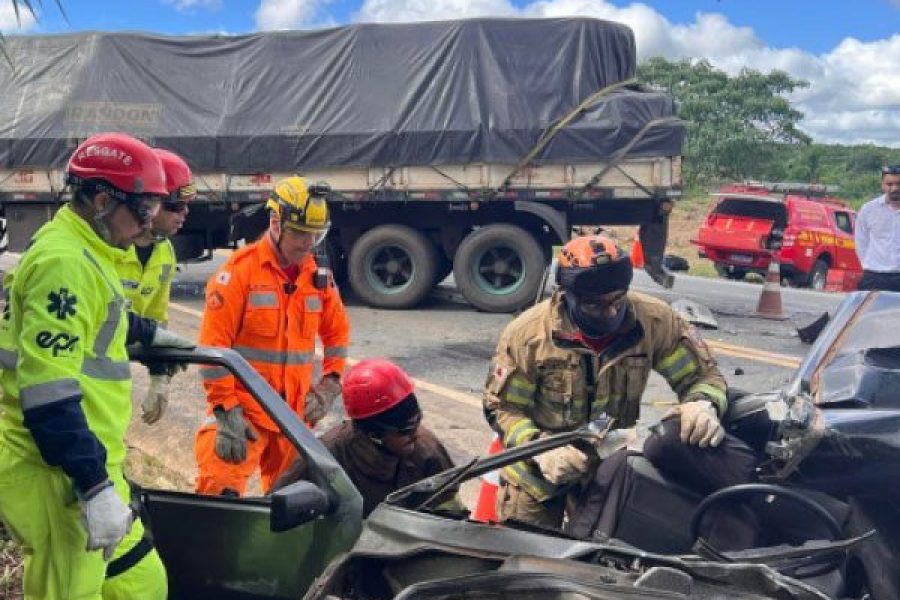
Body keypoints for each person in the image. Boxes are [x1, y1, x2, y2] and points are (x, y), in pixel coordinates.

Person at [0, 132, 194, 599]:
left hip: (88, 456)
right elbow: (48, 396)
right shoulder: (63, 261)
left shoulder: (90, 249)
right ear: (104, 200)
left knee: (140, 583)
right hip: (55, 468)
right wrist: (93, 486)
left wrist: (146, 334)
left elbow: (95, 318)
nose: (150, 222)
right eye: (145, 208)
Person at [482, 234, 729, 529]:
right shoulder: (528, 336)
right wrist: (539, 448)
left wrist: (702, 403)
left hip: (608, 470)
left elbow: (703, 377)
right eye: (596, 306)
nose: (611, 312)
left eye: (618, 300)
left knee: (606, 560)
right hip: (538, 473)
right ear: (566, 295)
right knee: (528, 560)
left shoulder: (655, 322)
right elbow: (502, 408)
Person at [195, 175, 350, 497]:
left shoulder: (316, 277)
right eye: (299, 233)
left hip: (293, 417)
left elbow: (337, 332)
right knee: (218, 496)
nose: (307, 244)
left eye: (314, 235)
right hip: (244, 413)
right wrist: (226, 411)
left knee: (293, 507)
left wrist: (330, 384)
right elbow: (213, 350)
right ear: (276, 223)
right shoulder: (239, 273)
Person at [272, 359, 458, 517]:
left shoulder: (428, 449)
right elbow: (270, 513)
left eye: (417, 420)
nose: (415, 433)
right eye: (405, 430)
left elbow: (450, 507)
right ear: (374, 435)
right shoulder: (326, 459)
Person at [118, 148, 195, 425]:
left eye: (187, 206)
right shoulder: (110, 248)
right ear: (150, 201)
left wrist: (159, 374)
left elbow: (154, 322)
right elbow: (99, 315)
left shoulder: (165, 253)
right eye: (176, 206)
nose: (184, 214)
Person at [855, 165, 900, 292]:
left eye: (899, 184)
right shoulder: (869, 210)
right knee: (869, 312)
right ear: (882, 184)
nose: (895, 188)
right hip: (874, 278)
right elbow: (861, 242)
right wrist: (868, 267)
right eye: (889, 184)